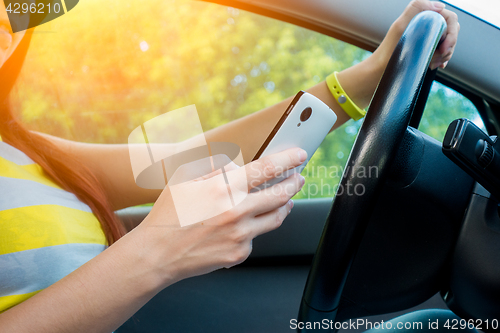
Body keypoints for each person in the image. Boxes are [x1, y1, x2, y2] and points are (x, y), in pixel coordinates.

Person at [0, 1, 462, 332]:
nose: (10, 23)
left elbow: (179, 159)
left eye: (17, 12)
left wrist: (360, 83)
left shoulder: (24, 148)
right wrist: (157, 252)